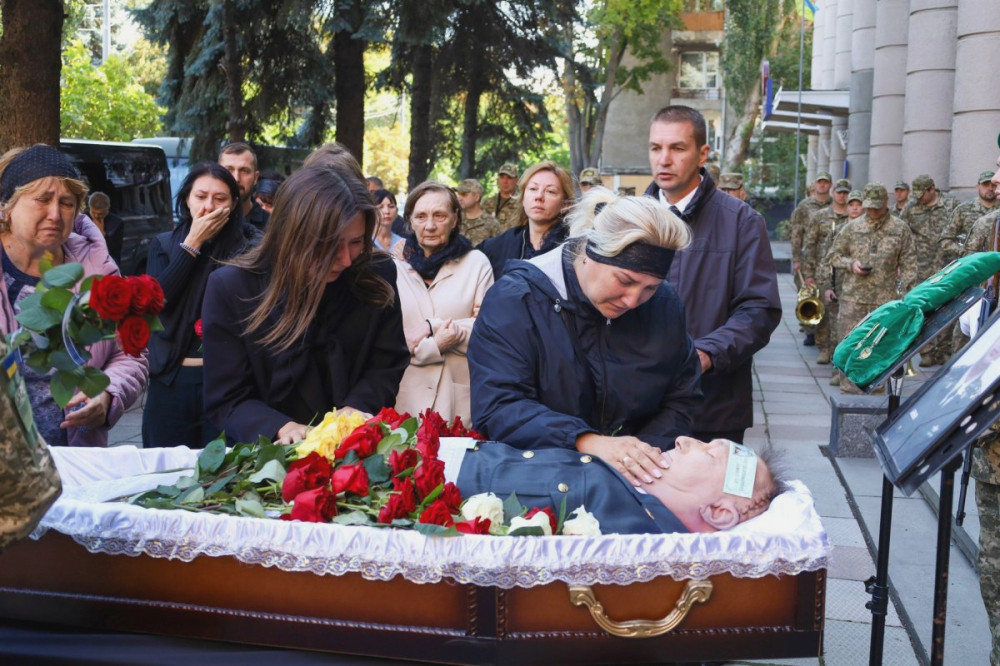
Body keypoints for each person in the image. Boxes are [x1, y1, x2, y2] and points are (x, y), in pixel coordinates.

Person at [468, 190, 702, 488]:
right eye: (625, 281)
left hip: (643, 484)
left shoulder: (664, 304)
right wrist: (587, 442)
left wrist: (642, 458)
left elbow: (682, 394)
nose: (633, 300)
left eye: (650, 288)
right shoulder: (516, 300)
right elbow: (499, 406)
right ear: (590, 253)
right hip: (540, 485)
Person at [202, 165, 409, 444]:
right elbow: (227, 397)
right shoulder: (234, 288)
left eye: (356, 242)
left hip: (357, 446)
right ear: (292, 235)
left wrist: (357, 408)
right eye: (330, 245)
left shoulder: (375, 275)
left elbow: (386, 364)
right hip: (270, 456)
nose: (346, 259)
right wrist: (281, 427)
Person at [643, 105, 781, 443]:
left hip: (711, 409)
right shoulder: (628, 219)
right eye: (656, 148)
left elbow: (759, 310)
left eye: (677, 148)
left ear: (702, 154)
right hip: (636, 407)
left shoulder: (741, 221)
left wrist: (706, 355)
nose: (664, 160)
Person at [0, 144, 147, 446]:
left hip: (76, 456)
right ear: (7, 206)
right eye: (43, 200)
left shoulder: (96, 266)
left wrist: (108, 393)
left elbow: (131, 353)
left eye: (67, 203)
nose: (55, 214)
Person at [143, 162, 260, 447]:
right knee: (165, 466)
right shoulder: (164, 244)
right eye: (201, 196)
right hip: (172, 379)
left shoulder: (251, 248)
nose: (209, 207)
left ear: (233, 205)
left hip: (228, 382)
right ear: (186, 199)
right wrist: (192, 243)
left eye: (220, 199)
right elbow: (156, 302)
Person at [457, 437, 781, 534]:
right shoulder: (635, 500)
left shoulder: (639, 538)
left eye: (709, 454)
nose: (684, 440)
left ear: (719, 512)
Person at [394, 182, 494, 423]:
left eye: (439, 215)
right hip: (402, 400)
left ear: (455, 218)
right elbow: (388, 339)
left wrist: (431, 326)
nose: (429, 226)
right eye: (421, 216)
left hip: (456, 403)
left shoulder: (476, 263)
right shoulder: (394, 267)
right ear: (410, 221)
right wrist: (438, 343)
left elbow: (488, 331)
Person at [825, 183, 918, 394]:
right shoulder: (852, 227)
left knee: (881, 345)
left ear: (886, 202)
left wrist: (908, 296)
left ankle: (876, 386)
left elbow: (910, 265)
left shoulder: (899, 228)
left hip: (884, 300)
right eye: (869, 207)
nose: (873, 211)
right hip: (853, 298)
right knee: (850, 343)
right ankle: (849, 388)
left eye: (877, 207)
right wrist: (851, 264)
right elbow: (833, 255)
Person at [477, 161, 573, 279]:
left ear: (565, 204)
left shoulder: (574, 250)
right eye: (533, 189)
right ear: (523, 198)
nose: (539, 196)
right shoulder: (501, 245)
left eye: (550, 191)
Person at [903, 174, 959, 366]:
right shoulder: (910, 208)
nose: (918, 198)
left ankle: (944, 350)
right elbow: (902, 233)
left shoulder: (951, 205)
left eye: (922, 194)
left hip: (946, 266)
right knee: (921, 310)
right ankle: (926, 351)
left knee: (947, 307)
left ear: (932, 189)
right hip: (920, 267)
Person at [802, 178, 851, 365]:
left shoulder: (853, 218)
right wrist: (808, 273)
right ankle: (823, 348)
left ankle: (839, 350)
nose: (842, 196)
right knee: (824, 312)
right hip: (823, 270)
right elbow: (810, 245)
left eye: (846, 193)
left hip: (846, 273)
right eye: (839, 192)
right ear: (833, 193)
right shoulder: (820, 217)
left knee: (842, 314)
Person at [218, 142, 268, 230]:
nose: (236, 178)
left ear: (255, 178)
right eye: (228, 170)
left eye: (244, 171)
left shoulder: (272, 226)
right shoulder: (201, 217)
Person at [455, 179, 501, 245]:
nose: (459, 198)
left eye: (464, 195)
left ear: (476, 197)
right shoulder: (455, 220)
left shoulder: (492, 224)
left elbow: (499, 248)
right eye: (459, 194)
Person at [86, 192, 123, 267]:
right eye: (93, 212)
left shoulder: (116, 222)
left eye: (101, 214)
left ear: (107, 209)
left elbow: (114, 249)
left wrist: (102, 234)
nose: (96, 216)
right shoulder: (82, 219)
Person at [482, 163, 520, 232]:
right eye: (502, 177)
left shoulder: (522, 203)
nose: (505, 181)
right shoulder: (487, 203)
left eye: (509, 178)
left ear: (517, 180)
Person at [372, 189, 406, 255]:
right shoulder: (364, 241)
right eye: (380, 207)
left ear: (397, 212)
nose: (387, 211)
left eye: (391, 207)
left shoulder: (402, 243)